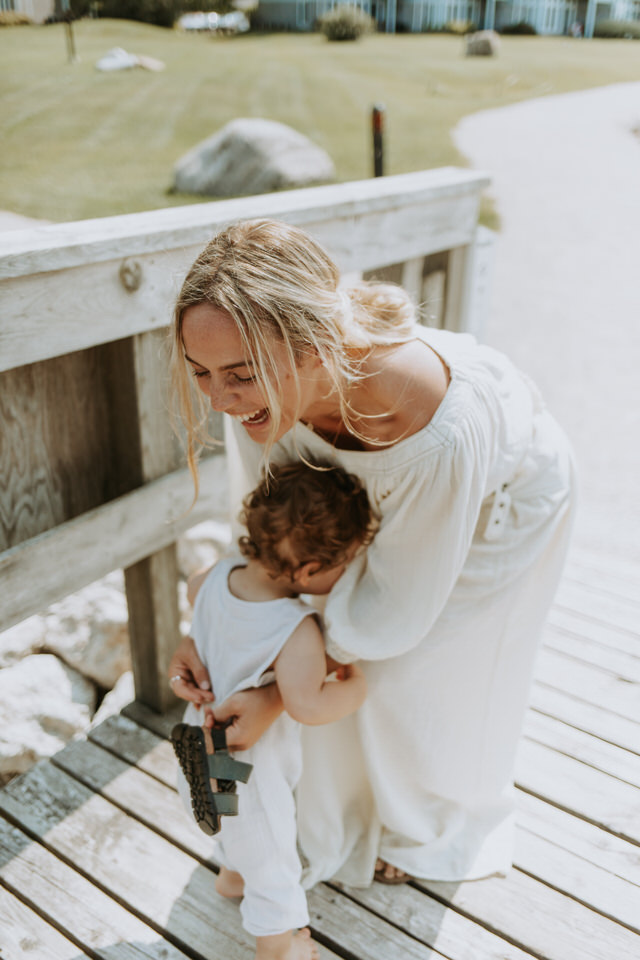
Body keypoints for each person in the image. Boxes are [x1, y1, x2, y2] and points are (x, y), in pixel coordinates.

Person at [168, 218, 576, 887]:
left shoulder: (428, 423)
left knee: (422, 676)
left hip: (495, 508)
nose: (217, 398)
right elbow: (267, 539)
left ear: (314, 345)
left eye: (239, 375)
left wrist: (279, 691)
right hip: (354, 508)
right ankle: (343, 811)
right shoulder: (257, 401)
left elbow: (393, 612)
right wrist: (210, 633)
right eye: (201, 374)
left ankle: (425, 827)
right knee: (351, 657)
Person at [172, 460, 372, 960]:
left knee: (234, 833)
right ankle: (278, 949)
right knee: (274, 861)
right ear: (307, 571)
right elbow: (306, 704)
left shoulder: (213, 577)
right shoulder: (297, 627)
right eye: (342, 564)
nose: (345, 573)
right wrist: (358, 687)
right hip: (249, 773)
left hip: (198, 743)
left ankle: (231, 875)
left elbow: (194, 591)